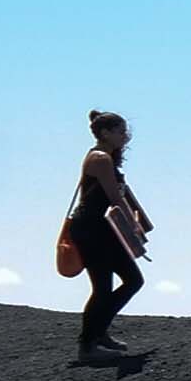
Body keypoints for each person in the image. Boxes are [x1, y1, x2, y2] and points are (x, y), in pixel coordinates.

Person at [63, 109, 151, 363]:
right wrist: (133, 227)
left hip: (104, 229)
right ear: (105, 133)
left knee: (132, 280)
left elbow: (120, 195)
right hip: (91, 228)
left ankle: (98, 334)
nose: (126, 136)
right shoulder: (100, 158)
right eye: (120, 131)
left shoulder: (108, 158)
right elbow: (115, 198)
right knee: (103, 287)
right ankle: (88, 345)